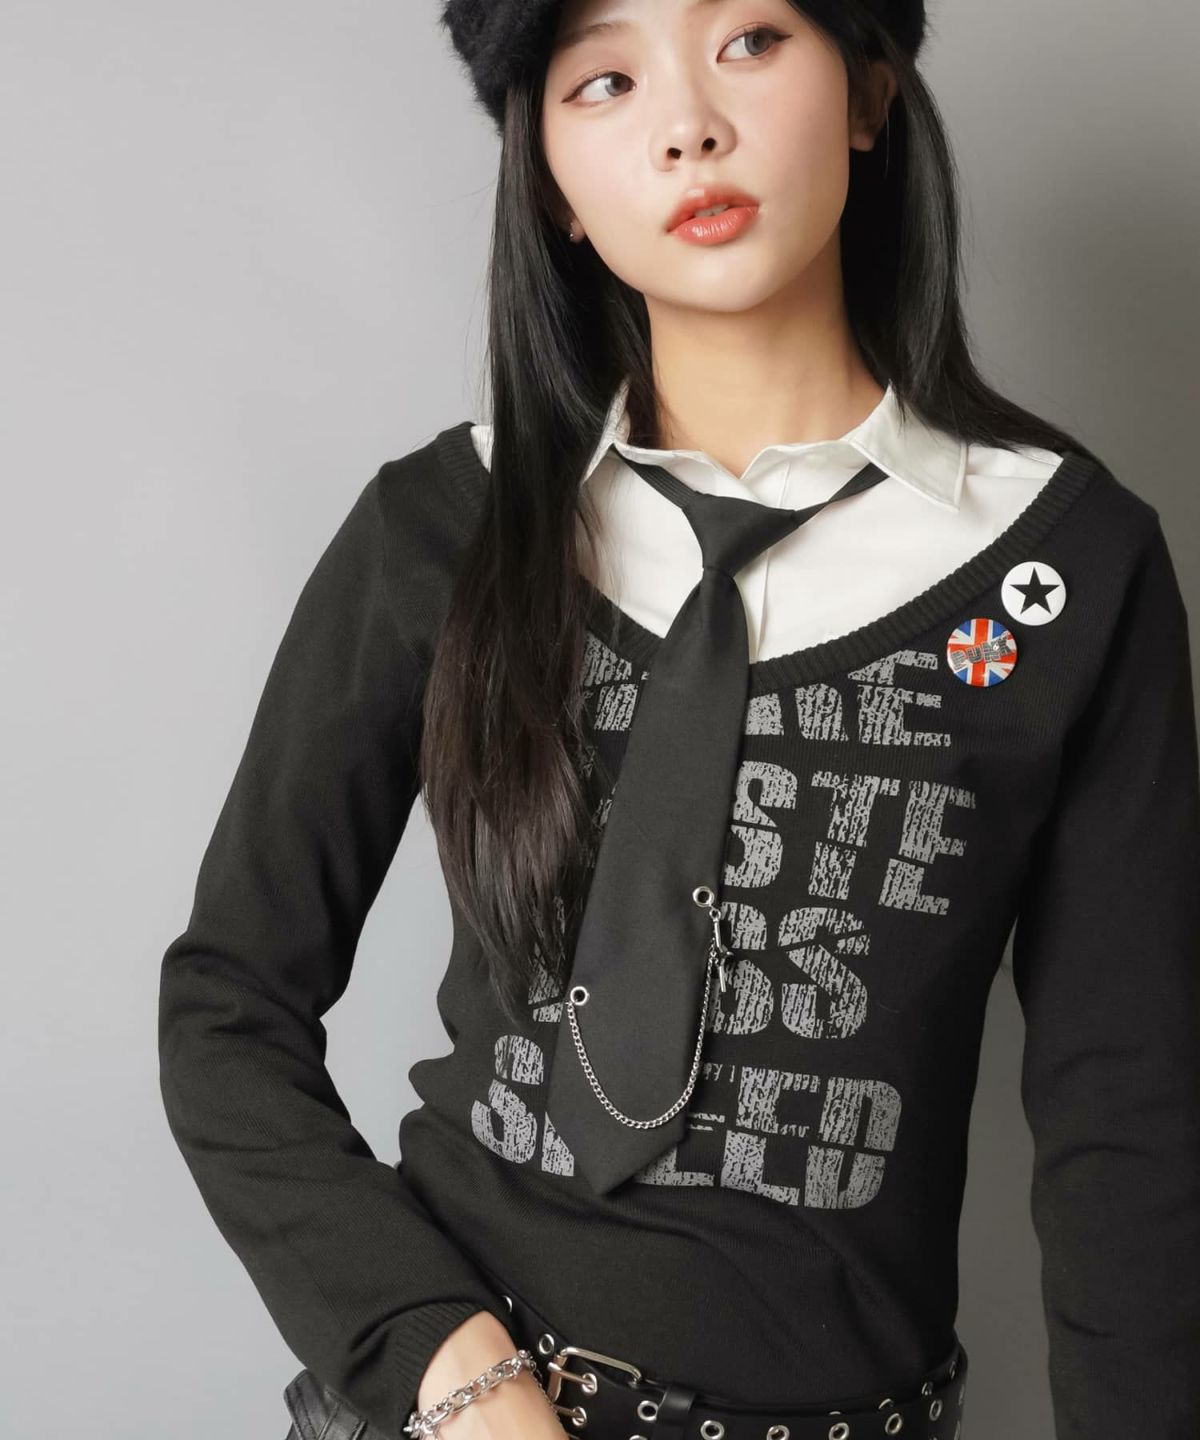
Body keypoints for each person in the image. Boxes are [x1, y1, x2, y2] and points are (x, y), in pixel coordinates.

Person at [158, 1, 1200, 1437]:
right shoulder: (447, 530)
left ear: (869, 91)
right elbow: (225, 1005)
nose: (687, 127)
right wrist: (452, 1374)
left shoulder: (1064, 568)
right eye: (604, 78)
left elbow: (1130, 1126)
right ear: (550, 182)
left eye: (751, 39)